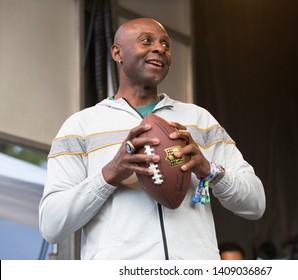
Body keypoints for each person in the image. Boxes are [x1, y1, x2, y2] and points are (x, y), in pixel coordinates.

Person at [39, 17, 266, 260]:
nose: (160, 49)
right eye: (146, 41)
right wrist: (111, 173)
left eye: (166, 45)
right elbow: (52, 225)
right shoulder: (80, 127)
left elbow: (255, 204)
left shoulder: (199, 120)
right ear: (117, 53)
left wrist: (208, 170)